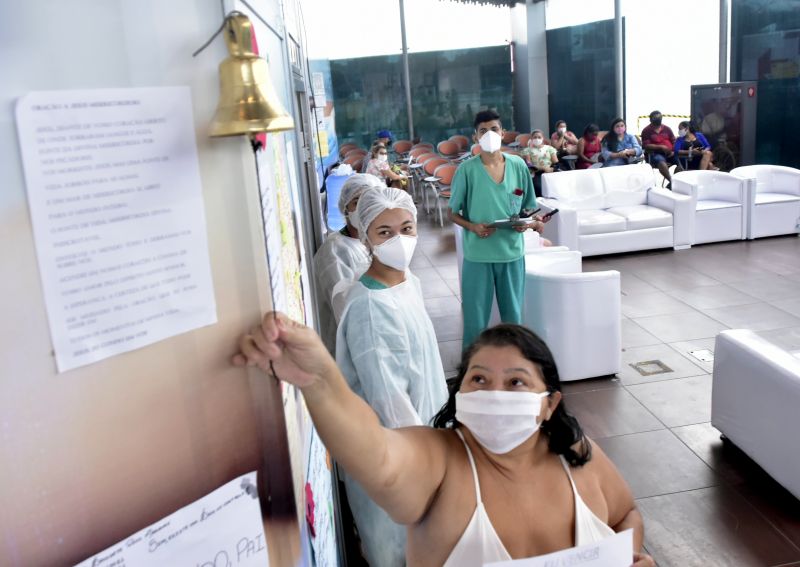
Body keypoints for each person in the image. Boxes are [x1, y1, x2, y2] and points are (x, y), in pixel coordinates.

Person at [233, 318, 656, 567]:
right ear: (460, 396)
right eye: (479, 379)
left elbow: (627, 515)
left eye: (516, 382)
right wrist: (320, 381)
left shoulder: (578, 455)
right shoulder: (441, 462)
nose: (495, 393)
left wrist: (630, 556)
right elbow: (378, 455)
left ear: (549, 404)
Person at [334, 186, 448, 567]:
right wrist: (428, 468)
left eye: (407, 228)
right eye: (385, 232)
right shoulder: (370, 306)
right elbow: (390, 404)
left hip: (426, 442)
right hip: (395, 460)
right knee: (397, 553)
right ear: (365, 234)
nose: (400, 240)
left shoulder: (407, 282)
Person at [449, 109, 542, 350]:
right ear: (475, 137)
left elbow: (528, 208)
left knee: (513, 318)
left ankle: (515, 366)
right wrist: (472, 226)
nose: (489, 134)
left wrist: (527, 223)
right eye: (483, 131)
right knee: (475, 320)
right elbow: (452, 212)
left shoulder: (518, 166)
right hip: (478, 255)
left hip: (511, 253)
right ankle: (470, 370)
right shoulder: (467, 171)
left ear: (503, 133)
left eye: (494, 129)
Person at [312, 173, 383, 354]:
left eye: (371, 199)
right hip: (352, 351)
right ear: (345, 208)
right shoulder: (335, 252)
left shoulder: (374, 242)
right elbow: (347, 314)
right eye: (357, 200)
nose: (364, 206)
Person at [641, 110, 680, 187]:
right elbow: (646, 146)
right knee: (661, 161)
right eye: (655, 118)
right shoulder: (646, 130)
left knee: (680, 163)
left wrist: (672, 151)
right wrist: (661, 147)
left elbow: (673, 141)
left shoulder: (667, 129)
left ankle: (675, 182)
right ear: (650, 119)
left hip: (670, 153)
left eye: (659, 117)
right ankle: (672, 182)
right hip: (655, 154)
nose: (658, 119)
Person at [520, 129, 559, 197]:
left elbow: (556, 163)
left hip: (550, 172)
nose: (537, 139)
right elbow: (529, 165)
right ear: (531, 139)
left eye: (539, 137)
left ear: (543, 138)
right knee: (539, 188)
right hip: (536, 173)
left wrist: (552, 169)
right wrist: (543, 168)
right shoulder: (528, 150)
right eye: (535, 137)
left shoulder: (550, 149)